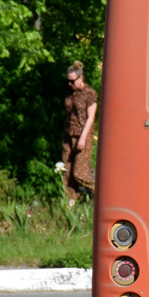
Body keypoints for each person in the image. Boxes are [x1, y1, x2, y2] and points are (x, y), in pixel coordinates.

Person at [61, 61, 98, 204]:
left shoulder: (90, 94)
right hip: (68, 136)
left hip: (83, 136)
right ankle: (70, 209)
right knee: (67, 175)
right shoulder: (69, 93)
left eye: (72, 81)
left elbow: (91, 117)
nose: (69, 84)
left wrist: (82, 138)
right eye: (67, 81)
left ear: (80, 78)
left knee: (79, 174)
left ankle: (104, 193)